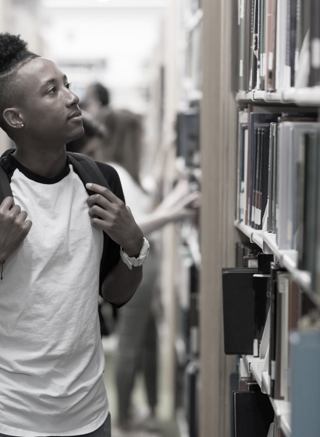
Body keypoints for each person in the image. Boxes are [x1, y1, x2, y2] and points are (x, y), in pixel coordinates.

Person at [0, 33, 149, 437]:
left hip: (87, 417)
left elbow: (116, 293)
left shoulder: (99, 181)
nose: (72, 98)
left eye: (67, 85)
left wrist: (133, 244)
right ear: (15, 118)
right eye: (52, 91)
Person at [97, 109, 199, 433]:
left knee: (149, 338)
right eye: (140, 137)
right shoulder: (115, 173)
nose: (144, 143)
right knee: (130, 343)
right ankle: (124, 417)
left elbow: (148, 188)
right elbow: (134, 225)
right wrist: (172, 213)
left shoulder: (125, 173)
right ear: (129, 139)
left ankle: (146, 410)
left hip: (145, 261)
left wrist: (168, 149)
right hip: (135, 262)